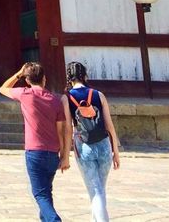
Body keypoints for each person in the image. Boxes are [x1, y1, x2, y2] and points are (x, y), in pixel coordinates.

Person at [0, 62, 70, 222]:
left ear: (27, 81)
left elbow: (3, 88)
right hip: (53, 153)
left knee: (40, 194)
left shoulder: (25, 94)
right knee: (46, 192)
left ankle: (54, 220)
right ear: (44, 79)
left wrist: (19, 72)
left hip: (34, 152)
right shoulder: (55, 100)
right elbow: (61, 131)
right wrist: (65, 155)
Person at [65, 62, 121, 222]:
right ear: (85, 75)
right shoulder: (98, 95)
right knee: (100, 190)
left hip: (84, 147)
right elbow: (109, 124)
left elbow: (69, 128)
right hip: (104, 146)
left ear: (69, 78)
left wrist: (67, 152)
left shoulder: (67, 98)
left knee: (96, 192)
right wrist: (115, 151)